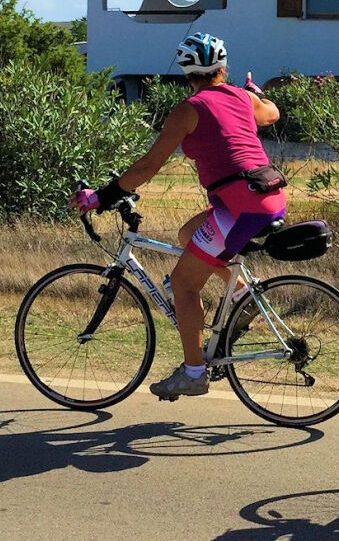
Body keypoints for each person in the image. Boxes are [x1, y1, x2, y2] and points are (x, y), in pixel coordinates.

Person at [74, 32, 287, 400]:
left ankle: (193, 373)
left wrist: (102, 197)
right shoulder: (243, 97)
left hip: (240, 208)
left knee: (184, 284)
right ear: (222, 68)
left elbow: (148, 165)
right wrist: (254, 90)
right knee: (188, 234)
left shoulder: (188, 109)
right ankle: (240, 295)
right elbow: (273, 113)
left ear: (187, 73)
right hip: (268, 197)